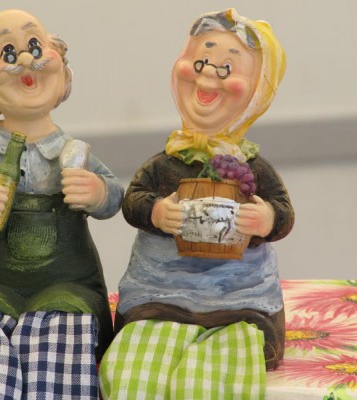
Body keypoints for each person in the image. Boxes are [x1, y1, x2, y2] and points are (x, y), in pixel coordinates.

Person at [99, 9, 294, 399]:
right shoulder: (165, 162)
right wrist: (156, 211)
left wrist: (267, 217)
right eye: (201, 62)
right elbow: (133, 200)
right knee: (134, 367)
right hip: (159, 296)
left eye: (226, 68)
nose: (207, 77)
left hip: (238, 301)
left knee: (230, 358)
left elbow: (283, 212)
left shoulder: (251, 167)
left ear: (257, 91)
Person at [0, 9, 123, 399]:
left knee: (63, 333)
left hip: (66, 285)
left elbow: (116, 197)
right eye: (8, 52)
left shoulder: (73, 153)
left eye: (35, 46)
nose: (24, 60)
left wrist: (97, 192)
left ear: (60, 62)